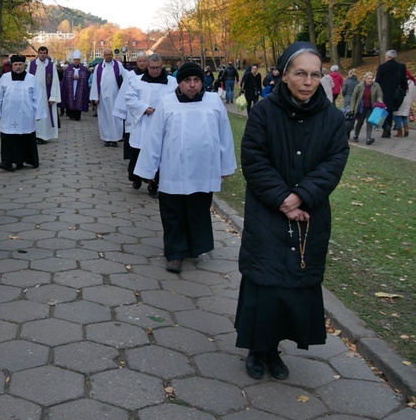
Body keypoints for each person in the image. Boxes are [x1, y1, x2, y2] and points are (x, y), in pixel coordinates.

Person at [235, 41, 349, 382]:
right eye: (300, 73)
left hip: (309, 215)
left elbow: (334, 162)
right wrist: (283, 199)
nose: (308, 81)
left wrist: (300, 196)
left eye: (315, 74)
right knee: (265, 285)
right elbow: (254, 159)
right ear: (285, 76)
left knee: (294, 287)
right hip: (268, 214)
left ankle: (275, 348)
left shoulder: (332, 118)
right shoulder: (264, 113)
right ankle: (258, 348)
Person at [134, 62, 236, 274]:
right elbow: (154, 137)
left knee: (197, 210)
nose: (192, 85)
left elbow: (224, 136)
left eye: (196, 80)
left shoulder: (214, 102)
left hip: (204, 170)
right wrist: (147, 170)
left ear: (202, 82)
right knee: (173, 211)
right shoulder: (167, 103)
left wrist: (225, 166)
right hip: (174, 170)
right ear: (179, 83)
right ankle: (174, 253)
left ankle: (194, 246)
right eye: (187, 81)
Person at [126, 53, 178, 197]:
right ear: (147, 67)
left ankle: (153, 185)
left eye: (157, 68)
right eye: (152, 68)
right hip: (143, 123)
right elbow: (129, 98)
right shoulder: (137, 81)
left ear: (162, 67)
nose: (155, 71)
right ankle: (136, 177)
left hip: (162, 126)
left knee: (157, 156)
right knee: (138, 156)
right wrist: (143, 108)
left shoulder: (172, 82)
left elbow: (177, 99)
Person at [0, 55, 46, 171]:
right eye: (15, 65)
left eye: (20, 64)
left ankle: (26, 160)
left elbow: (37, 97)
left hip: (26, 114)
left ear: (24, 65)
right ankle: (7, 162)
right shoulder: (5, 78)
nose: (18, 67)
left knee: (24, 137)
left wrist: (39, 114)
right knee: (8, 137)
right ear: (12, 66)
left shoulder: (31, 79)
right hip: (8, 114)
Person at [113, 52, 148, 167]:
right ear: (136, 63)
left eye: (144, 61)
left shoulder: (152, 75)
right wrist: (120, 111)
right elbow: (124, 92)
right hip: (132, 111)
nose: (142, 63)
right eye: (140, 61)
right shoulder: (131, 75)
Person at [90, 49, 125, 147]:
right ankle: (106, 138)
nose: (108, 56)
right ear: (103, 56)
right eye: (106, 55)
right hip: (103, 98)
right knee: (104, 118)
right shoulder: (99, 67)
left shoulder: (118, 65)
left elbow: (126, 77)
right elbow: (95, 82)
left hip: (116, 97)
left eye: (110, 54)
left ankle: (115, 138)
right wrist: (95, 97)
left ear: (112, 55)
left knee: (116, 118)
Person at [30, 46, 61, 143]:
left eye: (44, 53)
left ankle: (44, 136)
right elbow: (27, 78)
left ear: (47, 54)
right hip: (34, 95)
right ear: (38, 54)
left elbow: (55, 82)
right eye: (41, 53)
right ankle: (35, 135)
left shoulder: (51, 66)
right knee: (34, 115)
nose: (42, 55)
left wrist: (53, 97)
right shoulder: (32, 64)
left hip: (46, 96)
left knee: (45, 117)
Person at [375, 50, 409, 138]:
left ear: (387, 56)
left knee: (384, 110)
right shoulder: (401, 67)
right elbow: (403, 81)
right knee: (390, 111)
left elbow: (377, 81)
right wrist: (404, 91)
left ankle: (386, 127)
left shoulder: (382, 67)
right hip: (396, 94)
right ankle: (388, 127)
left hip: (384, 93)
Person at [350, 72, 382, 145]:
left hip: (371, 107)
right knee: (360, 122)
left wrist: (380, 100)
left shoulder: (376, 86)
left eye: (371, 78)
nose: (370, 80)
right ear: (365, 79)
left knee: (369, 122)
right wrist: (352, 108)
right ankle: (356, 135)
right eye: (368, 78)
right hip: (361, 107)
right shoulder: (359, 86)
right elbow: (354, 97)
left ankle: (368, 138)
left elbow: (379, 95)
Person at [60, 50, 91, 121]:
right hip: (71, 87)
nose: (76, 61)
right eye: (75, 60)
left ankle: (77, 116)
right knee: (70, 100)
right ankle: (71, 115)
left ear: (80, 60)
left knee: (78, 100)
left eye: (78, 60)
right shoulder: (69, 68)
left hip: (80, 87)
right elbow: (65, 78)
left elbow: (86, 77)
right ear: (73, 60)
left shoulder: (83, 69)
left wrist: (80, 77)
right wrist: (72, 77)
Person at [393, 70, 416, 137]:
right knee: (404, 115)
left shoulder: (400, 81)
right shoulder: (413, 81)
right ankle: (406, 129)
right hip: (408, 101)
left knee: (397, 115)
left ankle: (399, 131)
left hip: (400, 100)